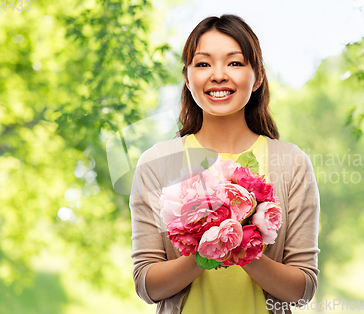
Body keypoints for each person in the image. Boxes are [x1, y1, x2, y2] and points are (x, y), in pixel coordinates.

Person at [130, 14, 320, 314]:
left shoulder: (292, 163)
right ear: (187, 77)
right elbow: (147, 284)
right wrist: (207, 247)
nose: (218, 75)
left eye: (234, 62)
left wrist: (240, 243)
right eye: (203, 63)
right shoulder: (156, 164)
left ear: (257, 77)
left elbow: (301, 289)